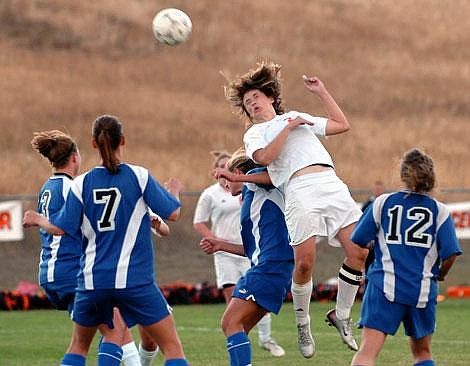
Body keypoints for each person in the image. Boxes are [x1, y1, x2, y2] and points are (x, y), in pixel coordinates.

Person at [221, 61, 369, 357]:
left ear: (271, 98)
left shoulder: (294, 116)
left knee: (359, 253)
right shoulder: (255, 134)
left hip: (330, 181)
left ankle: (341, 314)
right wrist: (287, 128)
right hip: (298, 189)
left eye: (256, 98)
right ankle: (303, 324)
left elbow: (342, 125)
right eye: (248, 103)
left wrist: (322, 92)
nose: (252, 104)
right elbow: (264, 158)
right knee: (303, 264)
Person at [23, 116, 188, 366]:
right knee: (172, 348)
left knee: (79, 347)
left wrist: (38, 219)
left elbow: (59, 227)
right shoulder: (138, 176)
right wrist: (173, 191)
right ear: (122, 140)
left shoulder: (80, 184)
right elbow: (172, 214)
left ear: (93, 144)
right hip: (133, 279)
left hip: (92, 280)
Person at [350, 148, 462, 366]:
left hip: (384, 286)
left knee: (367, 352)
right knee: (422, 353)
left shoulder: (382, 202)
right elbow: (451, 254)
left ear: (403, 176)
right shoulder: (440, 211)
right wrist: (440, 274)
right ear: (431, 177)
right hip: (421, 290)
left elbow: (359, 239)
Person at [199, 151, 294, 366]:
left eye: (227, 177)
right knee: (237, 328)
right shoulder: (251, 197)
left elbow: (275, 173)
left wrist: (241, 175)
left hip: (270, 268)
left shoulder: (260, 186)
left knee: (229, 323)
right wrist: (221, 244)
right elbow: (253, 248)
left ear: (239, 173)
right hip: (271, 268)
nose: (224, 183)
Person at [361, 180, 386, 286]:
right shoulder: (368, 205)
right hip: (371, 244)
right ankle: (367, 291)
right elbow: (362, 223)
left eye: (380, 189)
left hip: (383, 244)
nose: (378, 191)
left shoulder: (386, 204)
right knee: (369, 268)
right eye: (376, 188)